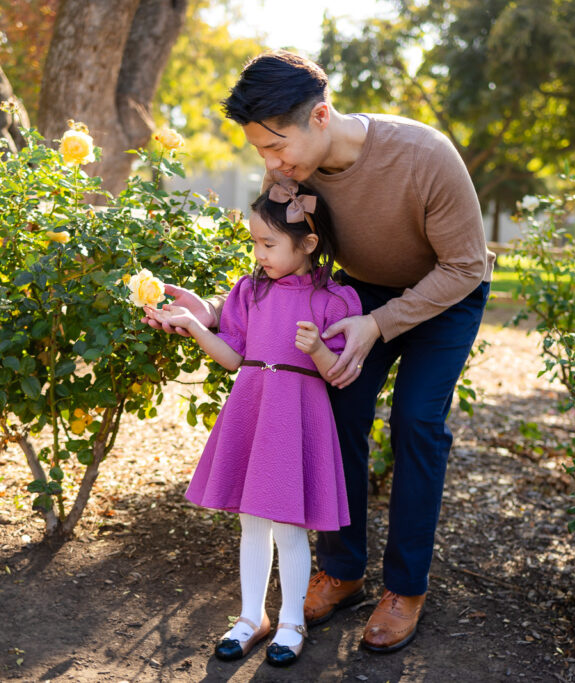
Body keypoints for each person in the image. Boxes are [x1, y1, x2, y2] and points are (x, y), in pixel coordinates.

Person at [159, 50, 495, 654]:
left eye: (276, 145)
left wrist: (381, 323)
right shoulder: (287, 179)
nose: (270, 163)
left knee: (417, 421)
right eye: (260, 149)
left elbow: (467, 265)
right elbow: (279, 269)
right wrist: (212, 311)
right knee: (335, 409)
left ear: (320, 115)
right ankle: (343, 569)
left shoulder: (423, 155)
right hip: (352, 294)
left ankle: (406, 588)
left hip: (446, 292)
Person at [143, 180, 361, 667]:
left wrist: (320, 350)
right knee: (252, 520)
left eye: (268, 244)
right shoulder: (249, 291)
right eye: (254, 243)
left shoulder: (335, 300)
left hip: (297, 413)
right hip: (253, 405)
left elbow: (339, 372)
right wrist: (198, 327)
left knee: (289, 524)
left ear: (307, 243)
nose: (258, 253)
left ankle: (291, 622)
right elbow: (232, 357)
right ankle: (250, 617)